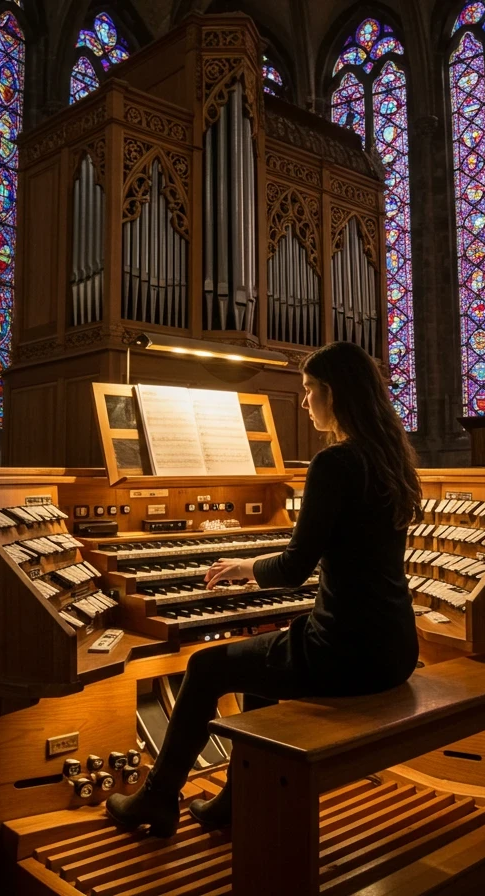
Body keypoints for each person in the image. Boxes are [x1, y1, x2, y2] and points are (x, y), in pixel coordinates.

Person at [106, 340, 422, 836]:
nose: (304, 402)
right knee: (264, 661)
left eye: (308, 390)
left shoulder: (335, 463)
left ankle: (158, 797)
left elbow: (295, 568)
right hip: (395, 646)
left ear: (332, 394)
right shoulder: (391, 460)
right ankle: (237, 799)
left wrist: (244, 566)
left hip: (345, 652)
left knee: (206, 665)